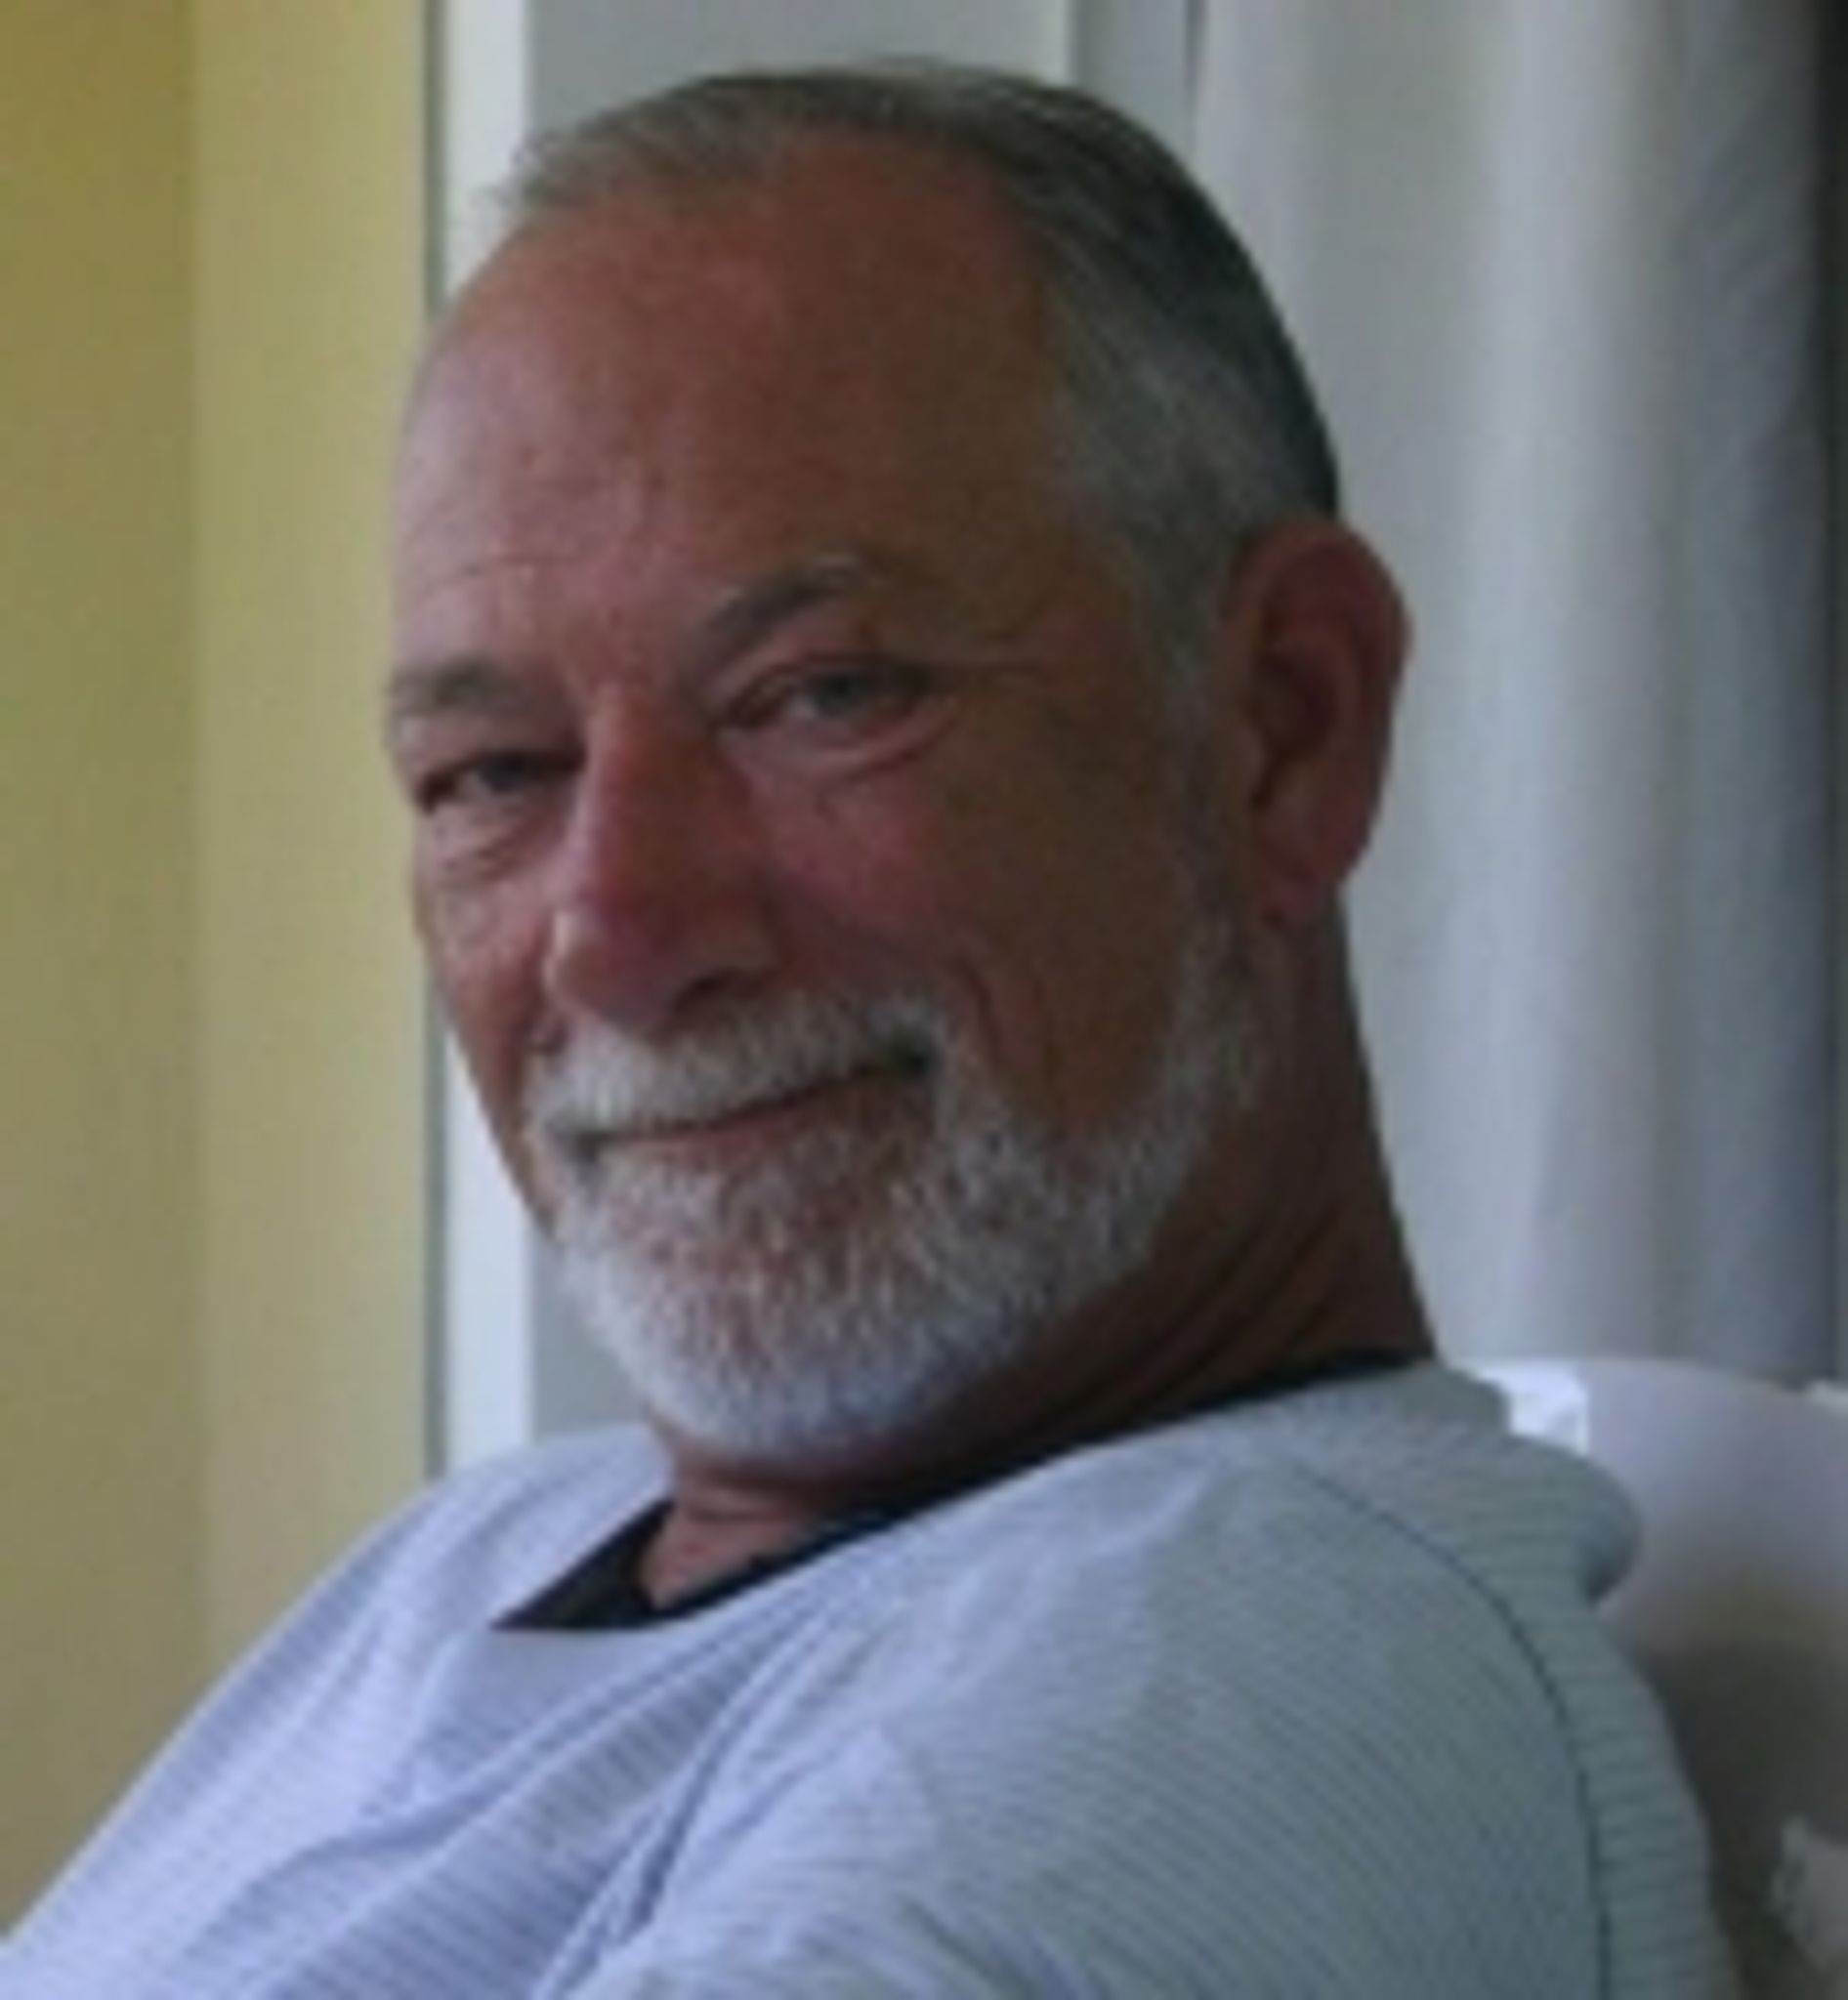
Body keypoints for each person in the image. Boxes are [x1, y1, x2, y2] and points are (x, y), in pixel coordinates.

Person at [5, 63, 1734, 1997]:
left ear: (1283, 726)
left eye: (820, 694)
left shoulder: (1228, 1669)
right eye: (494, 771)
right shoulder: (491, 1557)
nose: (615, 938)